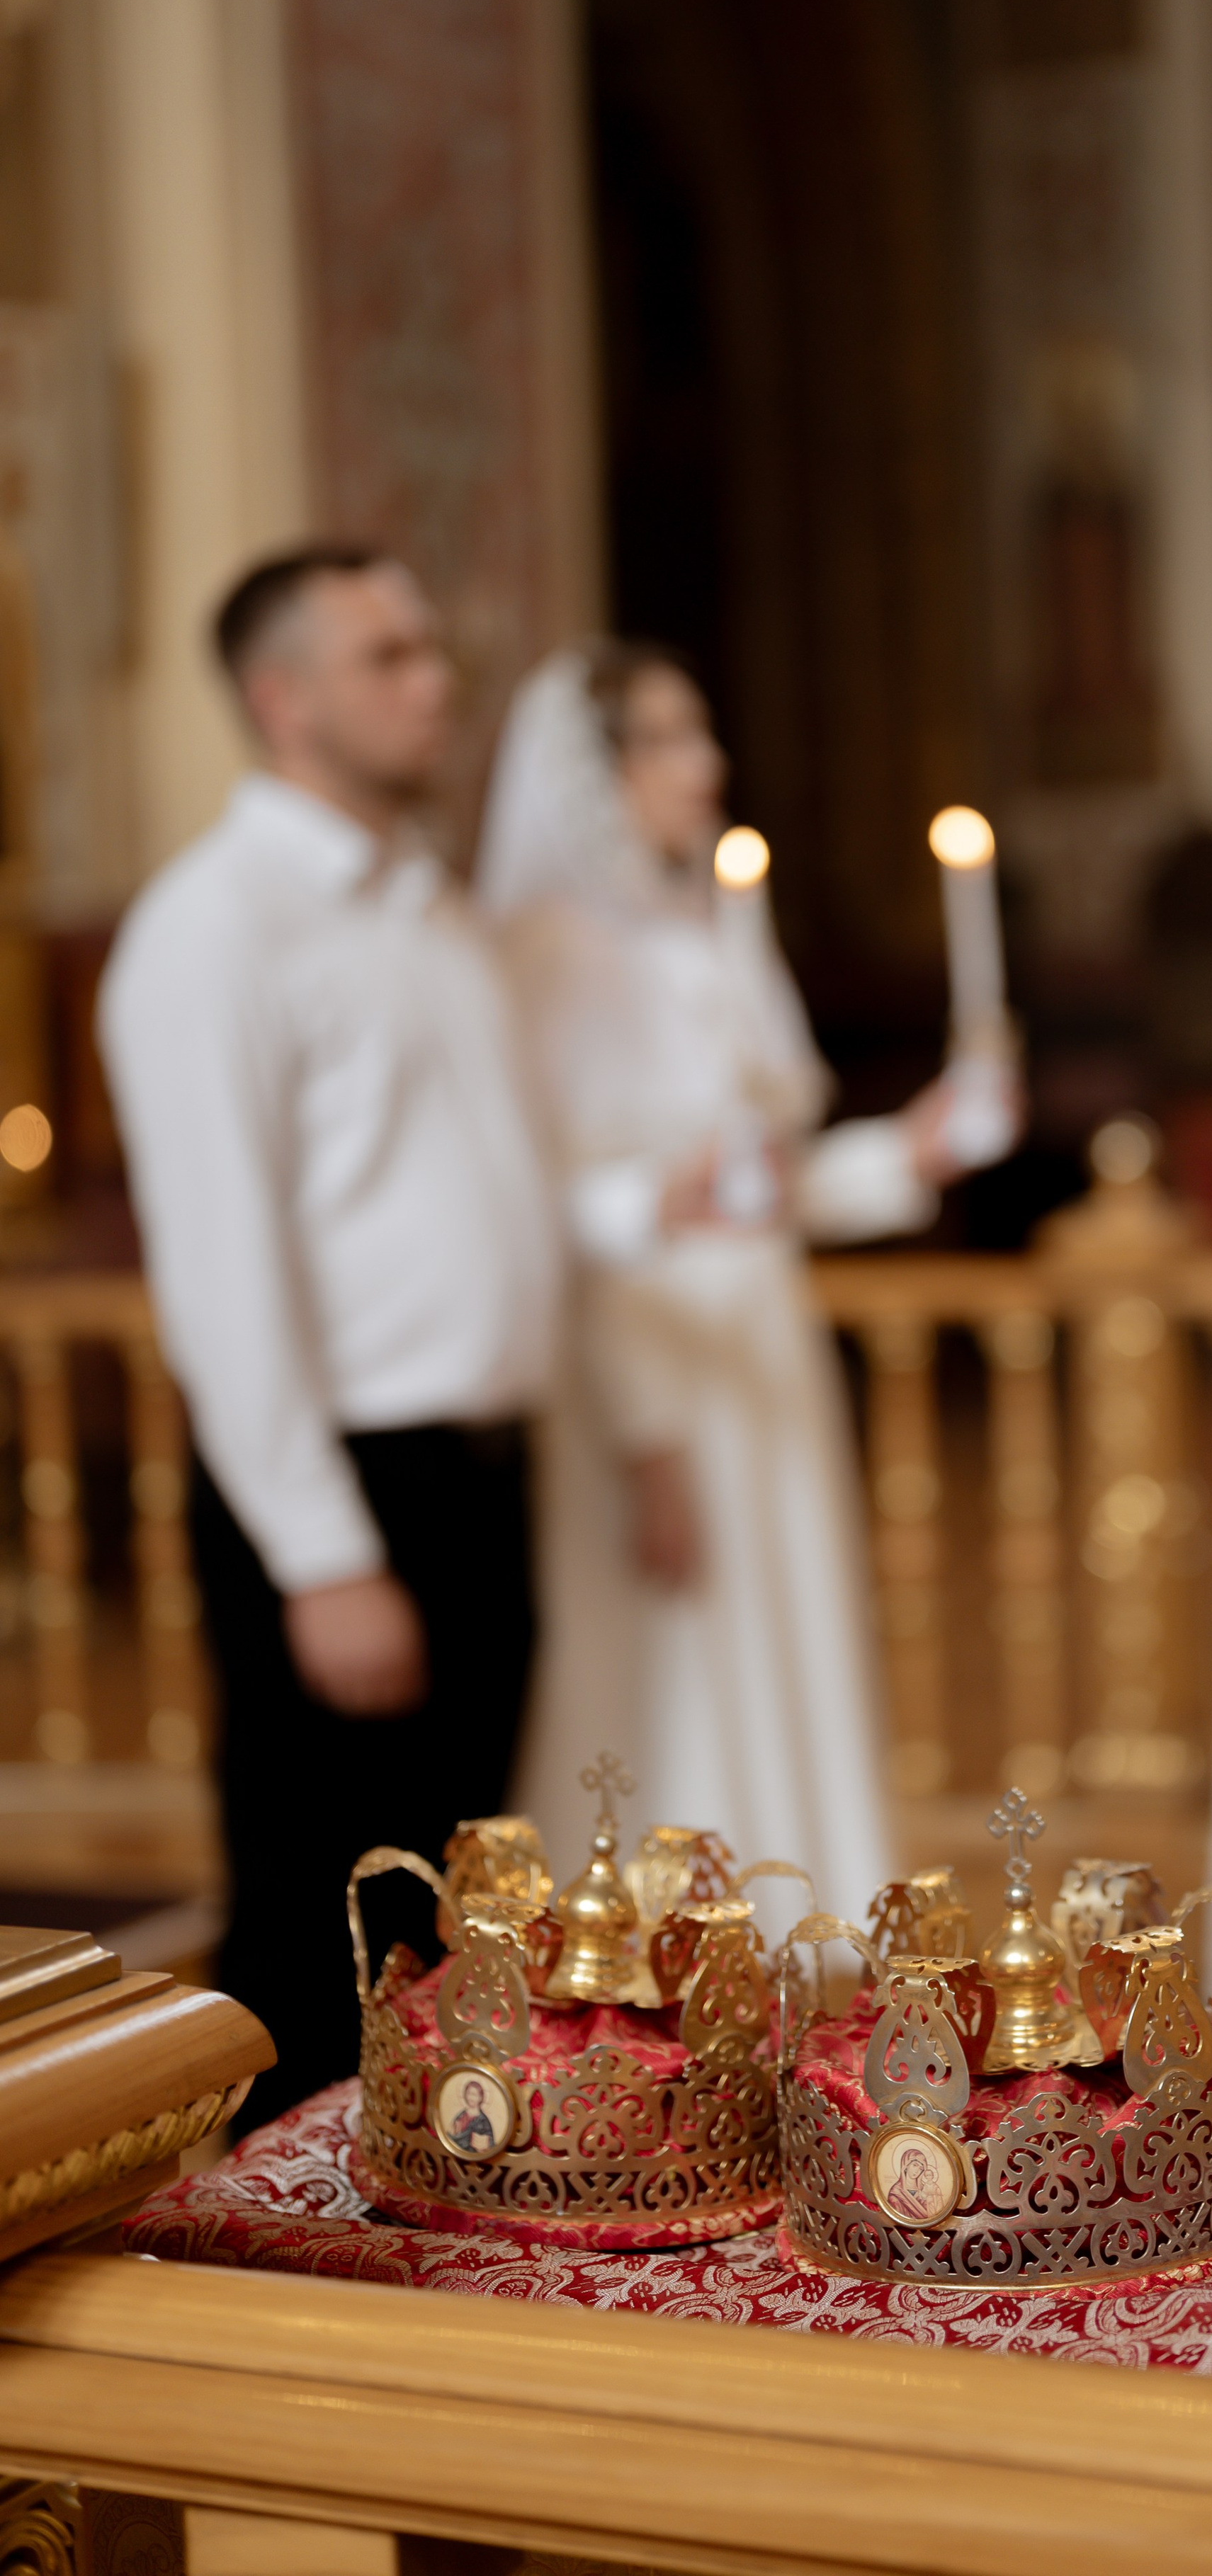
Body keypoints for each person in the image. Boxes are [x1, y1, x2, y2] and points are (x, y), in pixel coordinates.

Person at [100, 545, 559, 2132]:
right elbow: (224, 1273)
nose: (434, 679)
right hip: (352, 1486)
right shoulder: (213, 927)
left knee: (442, 1918)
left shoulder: (428, 900)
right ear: (280, 696)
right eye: (388, 655)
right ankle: (277, 2305)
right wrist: (321, 1550)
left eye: (428, 645)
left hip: (480, 1467)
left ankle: (431, 2256)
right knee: (323, 1927)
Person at [475, 642, 1015, 1913]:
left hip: (757, 1340)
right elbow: (563, 1210)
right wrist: (649, 1438)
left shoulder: (707, 928)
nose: (706, 764)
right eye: (668, 739)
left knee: (779, 1636)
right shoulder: (549, 952)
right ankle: (668, 1949)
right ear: (595, 776)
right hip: (649, 1356)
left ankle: (795, 1921)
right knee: (667, 1665)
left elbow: (760, 1185)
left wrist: (907, 1151)